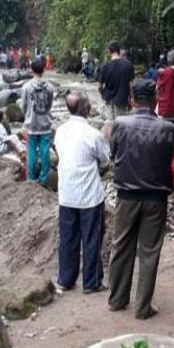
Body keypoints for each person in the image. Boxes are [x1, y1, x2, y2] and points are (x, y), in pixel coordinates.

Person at [108, 80, 174, 320]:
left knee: (121, 246)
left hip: (126, 195)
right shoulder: (167, 128)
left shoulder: (119, 124)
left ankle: (117, 300)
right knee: (149, 251)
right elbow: (169, 156)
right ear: (155, 99)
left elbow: (114, 155)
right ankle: (142, 307)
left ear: (131, 99)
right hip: (156, 197)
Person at [53, 93, 110, 294]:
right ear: (86, 109)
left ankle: (66, 279)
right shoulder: (92, 134)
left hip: (67, 192)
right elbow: (104, 160)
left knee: (68, 237)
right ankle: (91, 281)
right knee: (91, 237)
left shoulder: (60, 131)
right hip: (89, 194)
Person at [21, 58, 55, 186]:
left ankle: (31, 178)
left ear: (31, 69)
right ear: (44, 69)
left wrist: (27, 116)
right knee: (45, 152)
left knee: (32, 152)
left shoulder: (26, 87)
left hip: (32, 124)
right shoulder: (50, 87)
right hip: (45, 123)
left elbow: (23, 105)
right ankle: (43, 179)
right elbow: (50, 104)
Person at [98, 41, 135, 124]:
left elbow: (99, 86)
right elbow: (131, 85)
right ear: (119, 50)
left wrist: (103, 95)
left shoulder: (105, 66)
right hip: (122, 101)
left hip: (108, 101)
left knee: (110, 126)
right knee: (121, 126)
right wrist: (132, 99)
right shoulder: (128, 65)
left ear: (109, 51)